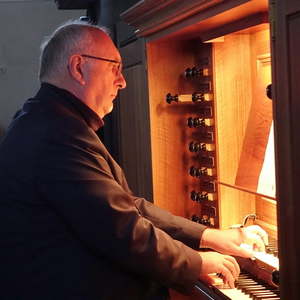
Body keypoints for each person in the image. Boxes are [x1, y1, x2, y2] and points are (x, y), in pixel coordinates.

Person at [0, 20, 268, 300]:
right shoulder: (56, 134)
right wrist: (197, 262)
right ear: (79, 67)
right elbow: (121, 229)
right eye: (114, 67)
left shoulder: (49, 120)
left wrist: (208, 236)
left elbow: (126, 205)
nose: (123, 81)